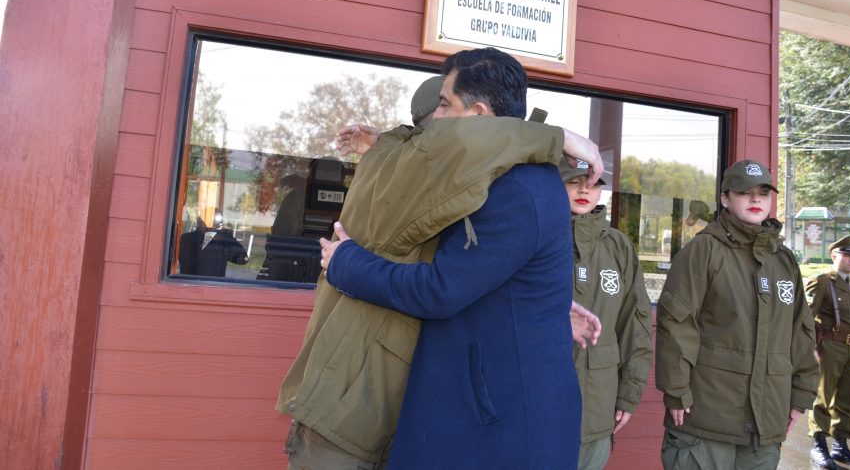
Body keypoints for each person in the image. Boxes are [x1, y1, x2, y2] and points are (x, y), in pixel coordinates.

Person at [277, 49, 604, 470]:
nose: (435, 128)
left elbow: (446, 287)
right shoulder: (455, 173)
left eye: (445, 106)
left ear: (480, 116)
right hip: (366, 397)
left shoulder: (516, 186)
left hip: (484, 425)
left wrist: (542, 308)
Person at [655, 159, 819, 469]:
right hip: (706, 420)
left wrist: (801, 394)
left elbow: (801, 331)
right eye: (745, 192)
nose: (756, 199)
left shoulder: (783, 260)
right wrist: (676, 390)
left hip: (764, 425)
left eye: (763, 192)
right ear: (725, 199)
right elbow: (676, 323)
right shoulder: (704, 250)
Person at [560, 159, 652, 470]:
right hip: (534, 407)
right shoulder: (536, 236)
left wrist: (629, 394)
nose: (585, 188)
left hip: (598, 407)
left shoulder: (618, 247)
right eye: (574, 180)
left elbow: (635, 325)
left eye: (594, 182)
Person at [806, 234, 850, 470]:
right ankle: (819, 444)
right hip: (829, 347)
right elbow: (806, 316)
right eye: (847, 255)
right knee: (823, 396)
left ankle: (840, 445)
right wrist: (811, 347)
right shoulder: (823, 281)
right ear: (835, 256)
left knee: (845, 399)